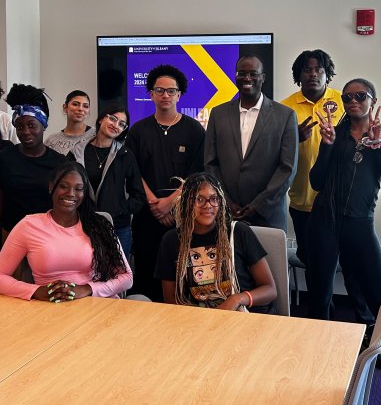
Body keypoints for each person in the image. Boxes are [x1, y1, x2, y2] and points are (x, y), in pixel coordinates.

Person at [307, 78, 381, 329]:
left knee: (375, 291)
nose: (353, 101)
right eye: (347, 97)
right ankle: (319, 340)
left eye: (361, 96)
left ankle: (379, 343)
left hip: (359, 223)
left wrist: (379, 145)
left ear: (374, 100)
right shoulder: (335, 135)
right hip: (325, 222)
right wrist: (326, 146)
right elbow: (316, 182)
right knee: (319, 291)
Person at [0, 162, 133, 301]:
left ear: (84, 193)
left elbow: (126, 278)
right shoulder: (29, 225)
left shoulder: (99, 225)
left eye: (78, 189)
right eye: (63, 186)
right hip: (50, 307)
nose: (71, 193)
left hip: (96, 304)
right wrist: (36, 291)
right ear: (51, 187)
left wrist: (87, 289)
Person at [126, 64, 205, 300]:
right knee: (146, 271)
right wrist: (154, 203)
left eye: (171, 91)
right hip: (146, 214)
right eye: (159, 90)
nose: (165, 95)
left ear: (179, 94)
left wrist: (171, 202)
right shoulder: (138, 130)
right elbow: (133, 170)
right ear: (150, 94)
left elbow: (196, 172)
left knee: (181, 271)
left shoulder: (194, 130)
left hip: (183, 214)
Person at [155, 172, 277, 313]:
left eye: (214, 199)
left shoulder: (237, 232)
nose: (208, 205)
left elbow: (270, 289)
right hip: (198, 320)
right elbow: (170, 301)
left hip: (244, 315)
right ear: (186, 202)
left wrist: (236, 299)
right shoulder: (172, 241)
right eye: (199, 199)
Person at [204, 55, 298, 231]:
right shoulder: (218, 114)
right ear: (235, 76)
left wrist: (259, 205)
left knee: (269, 260)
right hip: (226, 214)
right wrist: (225, 201)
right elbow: (210, 163)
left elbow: (287, 168)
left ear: (263, 77)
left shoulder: (285, 116)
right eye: (242, 73)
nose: (247, 78)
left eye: (253, 73)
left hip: (268, 216)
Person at [280, 49, 344, 276]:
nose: (313, 74)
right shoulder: (285, 107)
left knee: (338, 263)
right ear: (299, 74)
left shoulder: (343, 101)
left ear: (327, 74)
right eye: (307, 70)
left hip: (338, 200)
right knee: (310, 261)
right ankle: (316, 311)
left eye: (319, 69)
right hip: (302, 201)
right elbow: (275, 151)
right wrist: (293, 137)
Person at [0, 84, 68, 244]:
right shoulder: (3, 160)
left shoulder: (60, 163)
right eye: (20, 126)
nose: (25, 131)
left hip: (49, 237)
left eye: (32, 125)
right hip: (12, 236)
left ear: (43, 125)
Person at [69, 105, 145, 257]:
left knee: (117, 276)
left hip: (118, 227)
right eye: (112, 118)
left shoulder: (125, 155)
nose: (116, 125)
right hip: (83, 224)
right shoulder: (78, 152)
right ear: (101, 119)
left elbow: (139, 195)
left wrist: (119, 208)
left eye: (122, 124)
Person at [44, 90, 95, 155]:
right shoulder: (51, 141)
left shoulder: (96, 136)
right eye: (75, 104)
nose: (81, 109)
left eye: (85, 106)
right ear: (65, 107)